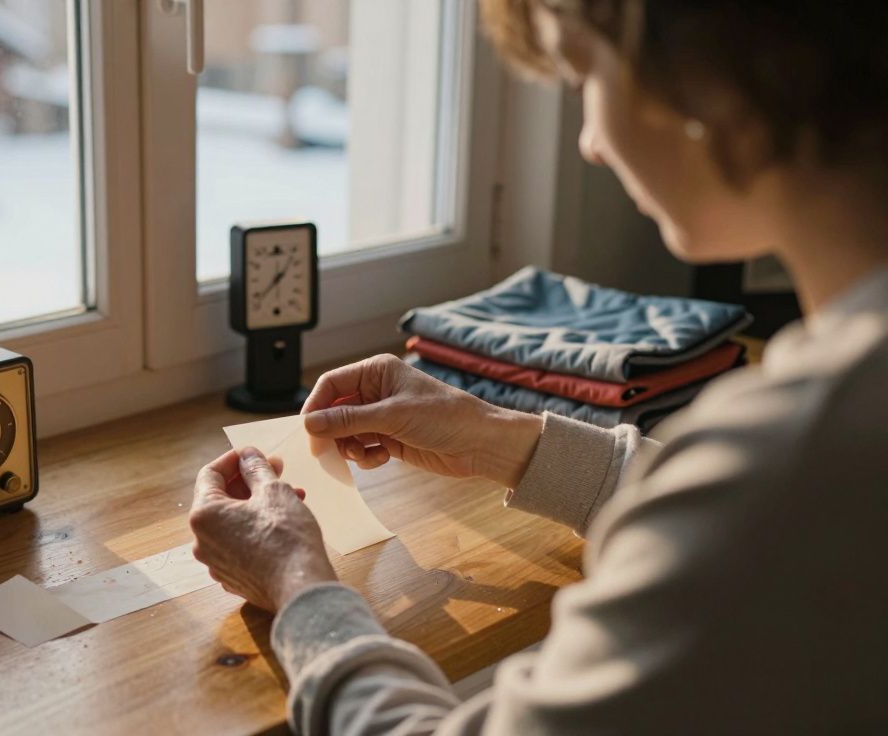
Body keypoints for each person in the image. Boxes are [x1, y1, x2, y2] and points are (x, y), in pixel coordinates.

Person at [188, 1, 888, 733]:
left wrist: (298, 588)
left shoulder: (790, 461)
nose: (589, 142)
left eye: (586, 72)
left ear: (720, 81)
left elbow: (739, 510)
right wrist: (499, 436)